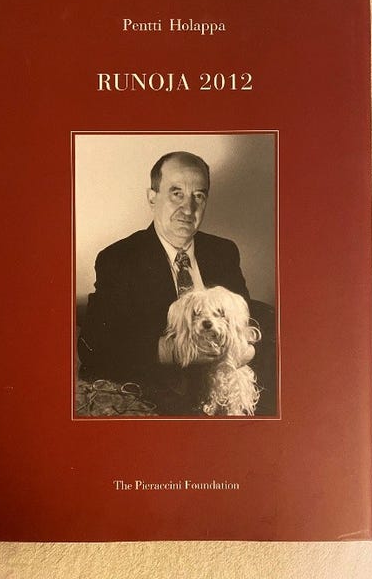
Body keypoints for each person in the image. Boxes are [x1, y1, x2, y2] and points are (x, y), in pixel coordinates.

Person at [77, 151, 252, 408]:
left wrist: (245, 349)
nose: (188, 209)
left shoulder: (223, 252)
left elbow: (249, 318)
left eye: (198, 196)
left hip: (224, 390)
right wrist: (174, 351)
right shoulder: (119, 258)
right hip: (156, 396)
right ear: (152, 198)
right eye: (176, 193)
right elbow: (94, 346)